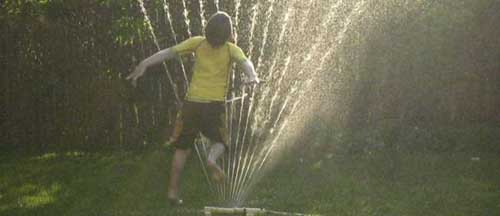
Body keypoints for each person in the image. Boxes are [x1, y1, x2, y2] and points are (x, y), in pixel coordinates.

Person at [126, 12, 259, 205]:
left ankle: (172, 193)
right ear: (228, 33)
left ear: (208, 29)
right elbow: (246, 63)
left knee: (182, 149)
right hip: (214, 105)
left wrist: (145, 63)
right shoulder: (232, 49)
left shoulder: (198, 42)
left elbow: (168, 52)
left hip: (192, 105)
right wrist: (253, 77)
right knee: (220, 142)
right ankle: (212, 160)